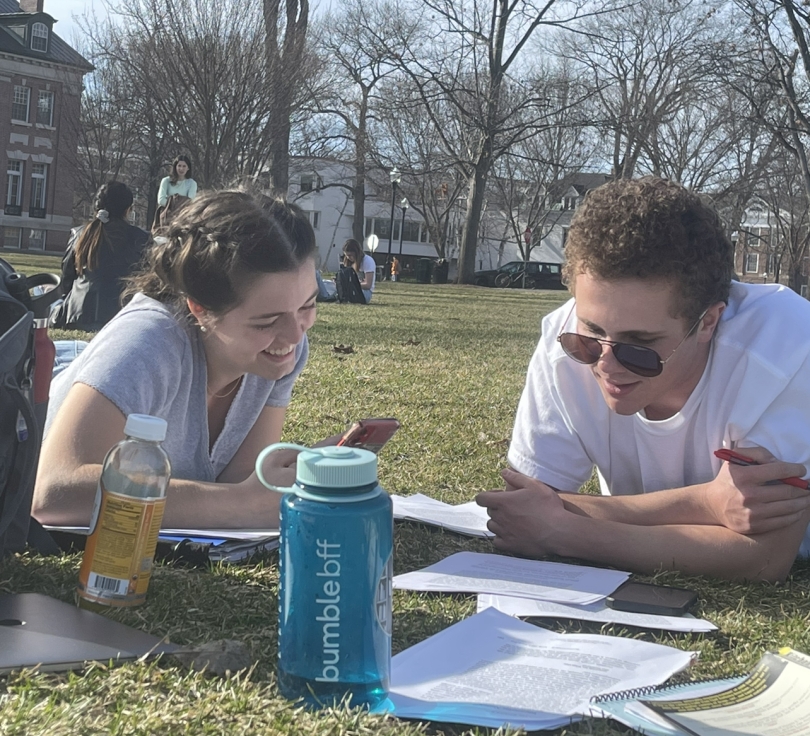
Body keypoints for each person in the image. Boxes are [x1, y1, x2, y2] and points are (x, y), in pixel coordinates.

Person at [477, 177, 810, 582]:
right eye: (590, 335)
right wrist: (705, 502)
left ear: (708, 321)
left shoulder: (784, 346)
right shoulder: (561, 343)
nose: (607, 363)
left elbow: (765, 556)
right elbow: (524, 507)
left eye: (640, 346)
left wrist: (568, 531)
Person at [33, 189, 320, 530]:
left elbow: (238, 480)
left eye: (307, 305)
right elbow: (52, 493)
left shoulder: (278, 353)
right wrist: (245, 504)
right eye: (267, 320)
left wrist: (293, 477)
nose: (294, 334)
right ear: (199, 307)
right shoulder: (148, 341)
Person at [54, 182, 149, 331]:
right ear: (127, 210)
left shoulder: (80, 234)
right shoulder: (141, 239)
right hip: (122, 317)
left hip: (77, 315)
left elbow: (67, 279)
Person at [154, 155, 198, 229]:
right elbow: (161, 200)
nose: (181, 169)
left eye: (184, 166)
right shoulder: (166, 181)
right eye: (179, 166)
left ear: (188, 168)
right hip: (166, 218)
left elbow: (190, 202)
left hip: (183, 218)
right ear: (175, 167)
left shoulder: (192, 184)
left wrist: (176, 206)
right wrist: (173, 207)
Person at [342, 238, 376, 302]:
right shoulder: (350, 262)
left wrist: (350, 285)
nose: (348, 258)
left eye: (350, 255)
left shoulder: (368, 261)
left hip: (364, 292)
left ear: (356, 253)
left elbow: (368, 285)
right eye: (346, 255)